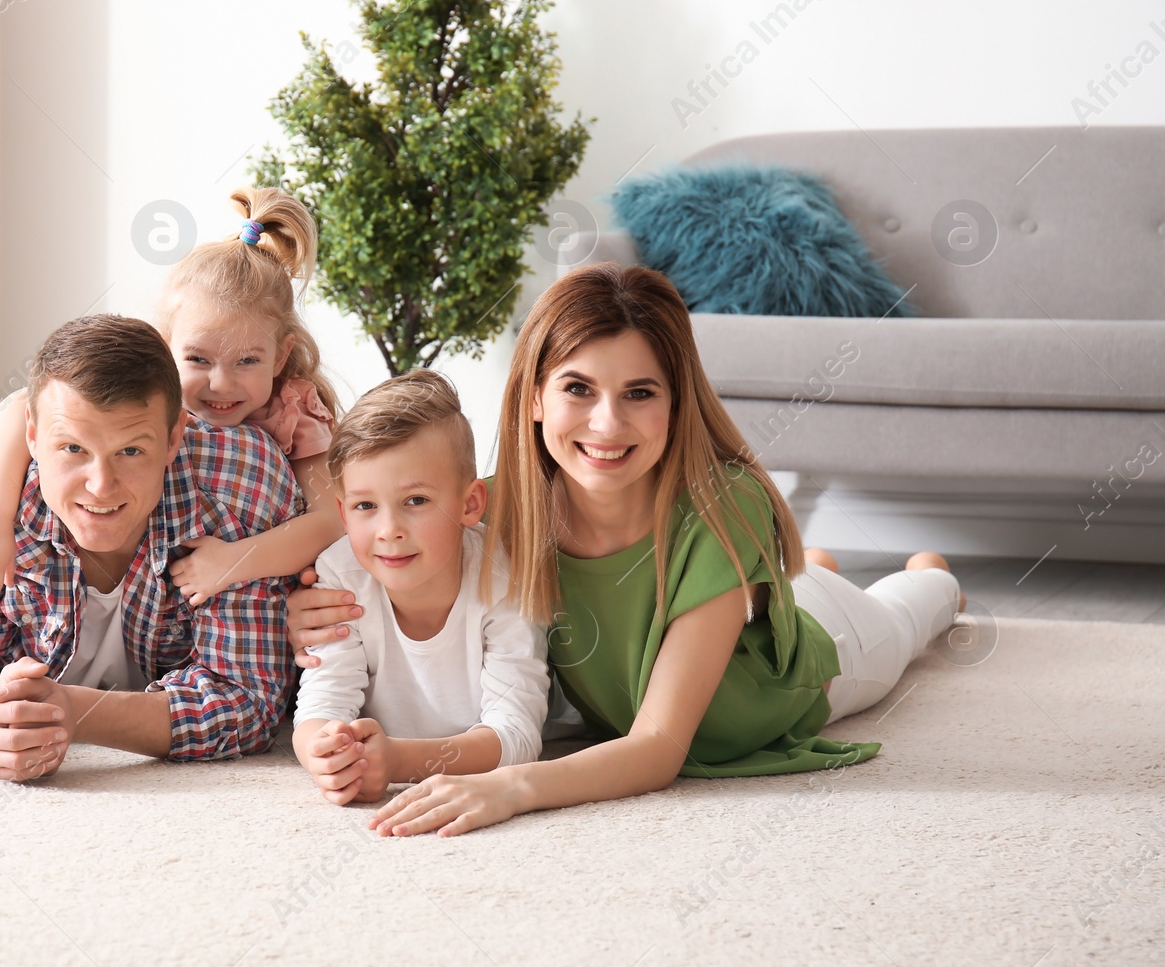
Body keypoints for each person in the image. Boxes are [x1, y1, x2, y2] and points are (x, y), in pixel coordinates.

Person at [285, 263, 965, 837]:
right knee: (805, 577)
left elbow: (659, 747)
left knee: (908, 616)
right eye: (579, 388)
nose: (607, 424)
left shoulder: (722, 508)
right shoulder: (493, 510)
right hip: (739, 596)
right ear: (534, 399)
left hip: (813, 670)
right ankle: (806, 572)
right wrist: (307, 611)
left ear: (674, 404)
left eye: (639, 393)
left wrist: (511, 788)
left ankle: (930, 577)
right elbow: (383, 540)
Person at [0, 314, 306, 779]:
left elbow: (247, 700)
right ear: (32, 434)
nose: (100, 485)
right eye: (72, 449)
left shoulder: (239, 487)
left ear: (176, 435)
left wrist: (72, 711)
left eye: (130, 451)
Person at [0, 186, 342, 616]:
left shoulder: (292, 411)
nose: (221, 384)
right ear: (167, 346)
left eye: (247, 360)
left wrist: (234, 562)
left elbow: (333, 520)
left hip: (257, 590)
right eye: (198, 359)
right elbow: (19, 411)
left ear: (280, 356)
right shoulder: (154, 387)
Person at [290, 370, 551, 806]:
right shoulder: (340, 573)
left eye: (416, 501)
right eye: (365, 506)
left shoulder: (503, 577)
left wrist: (399, 762)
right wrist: (325, 752)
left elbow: (518, 736)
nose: (388, 530)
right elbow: (323, 698)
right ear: (343, 511)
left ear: (469, 504)